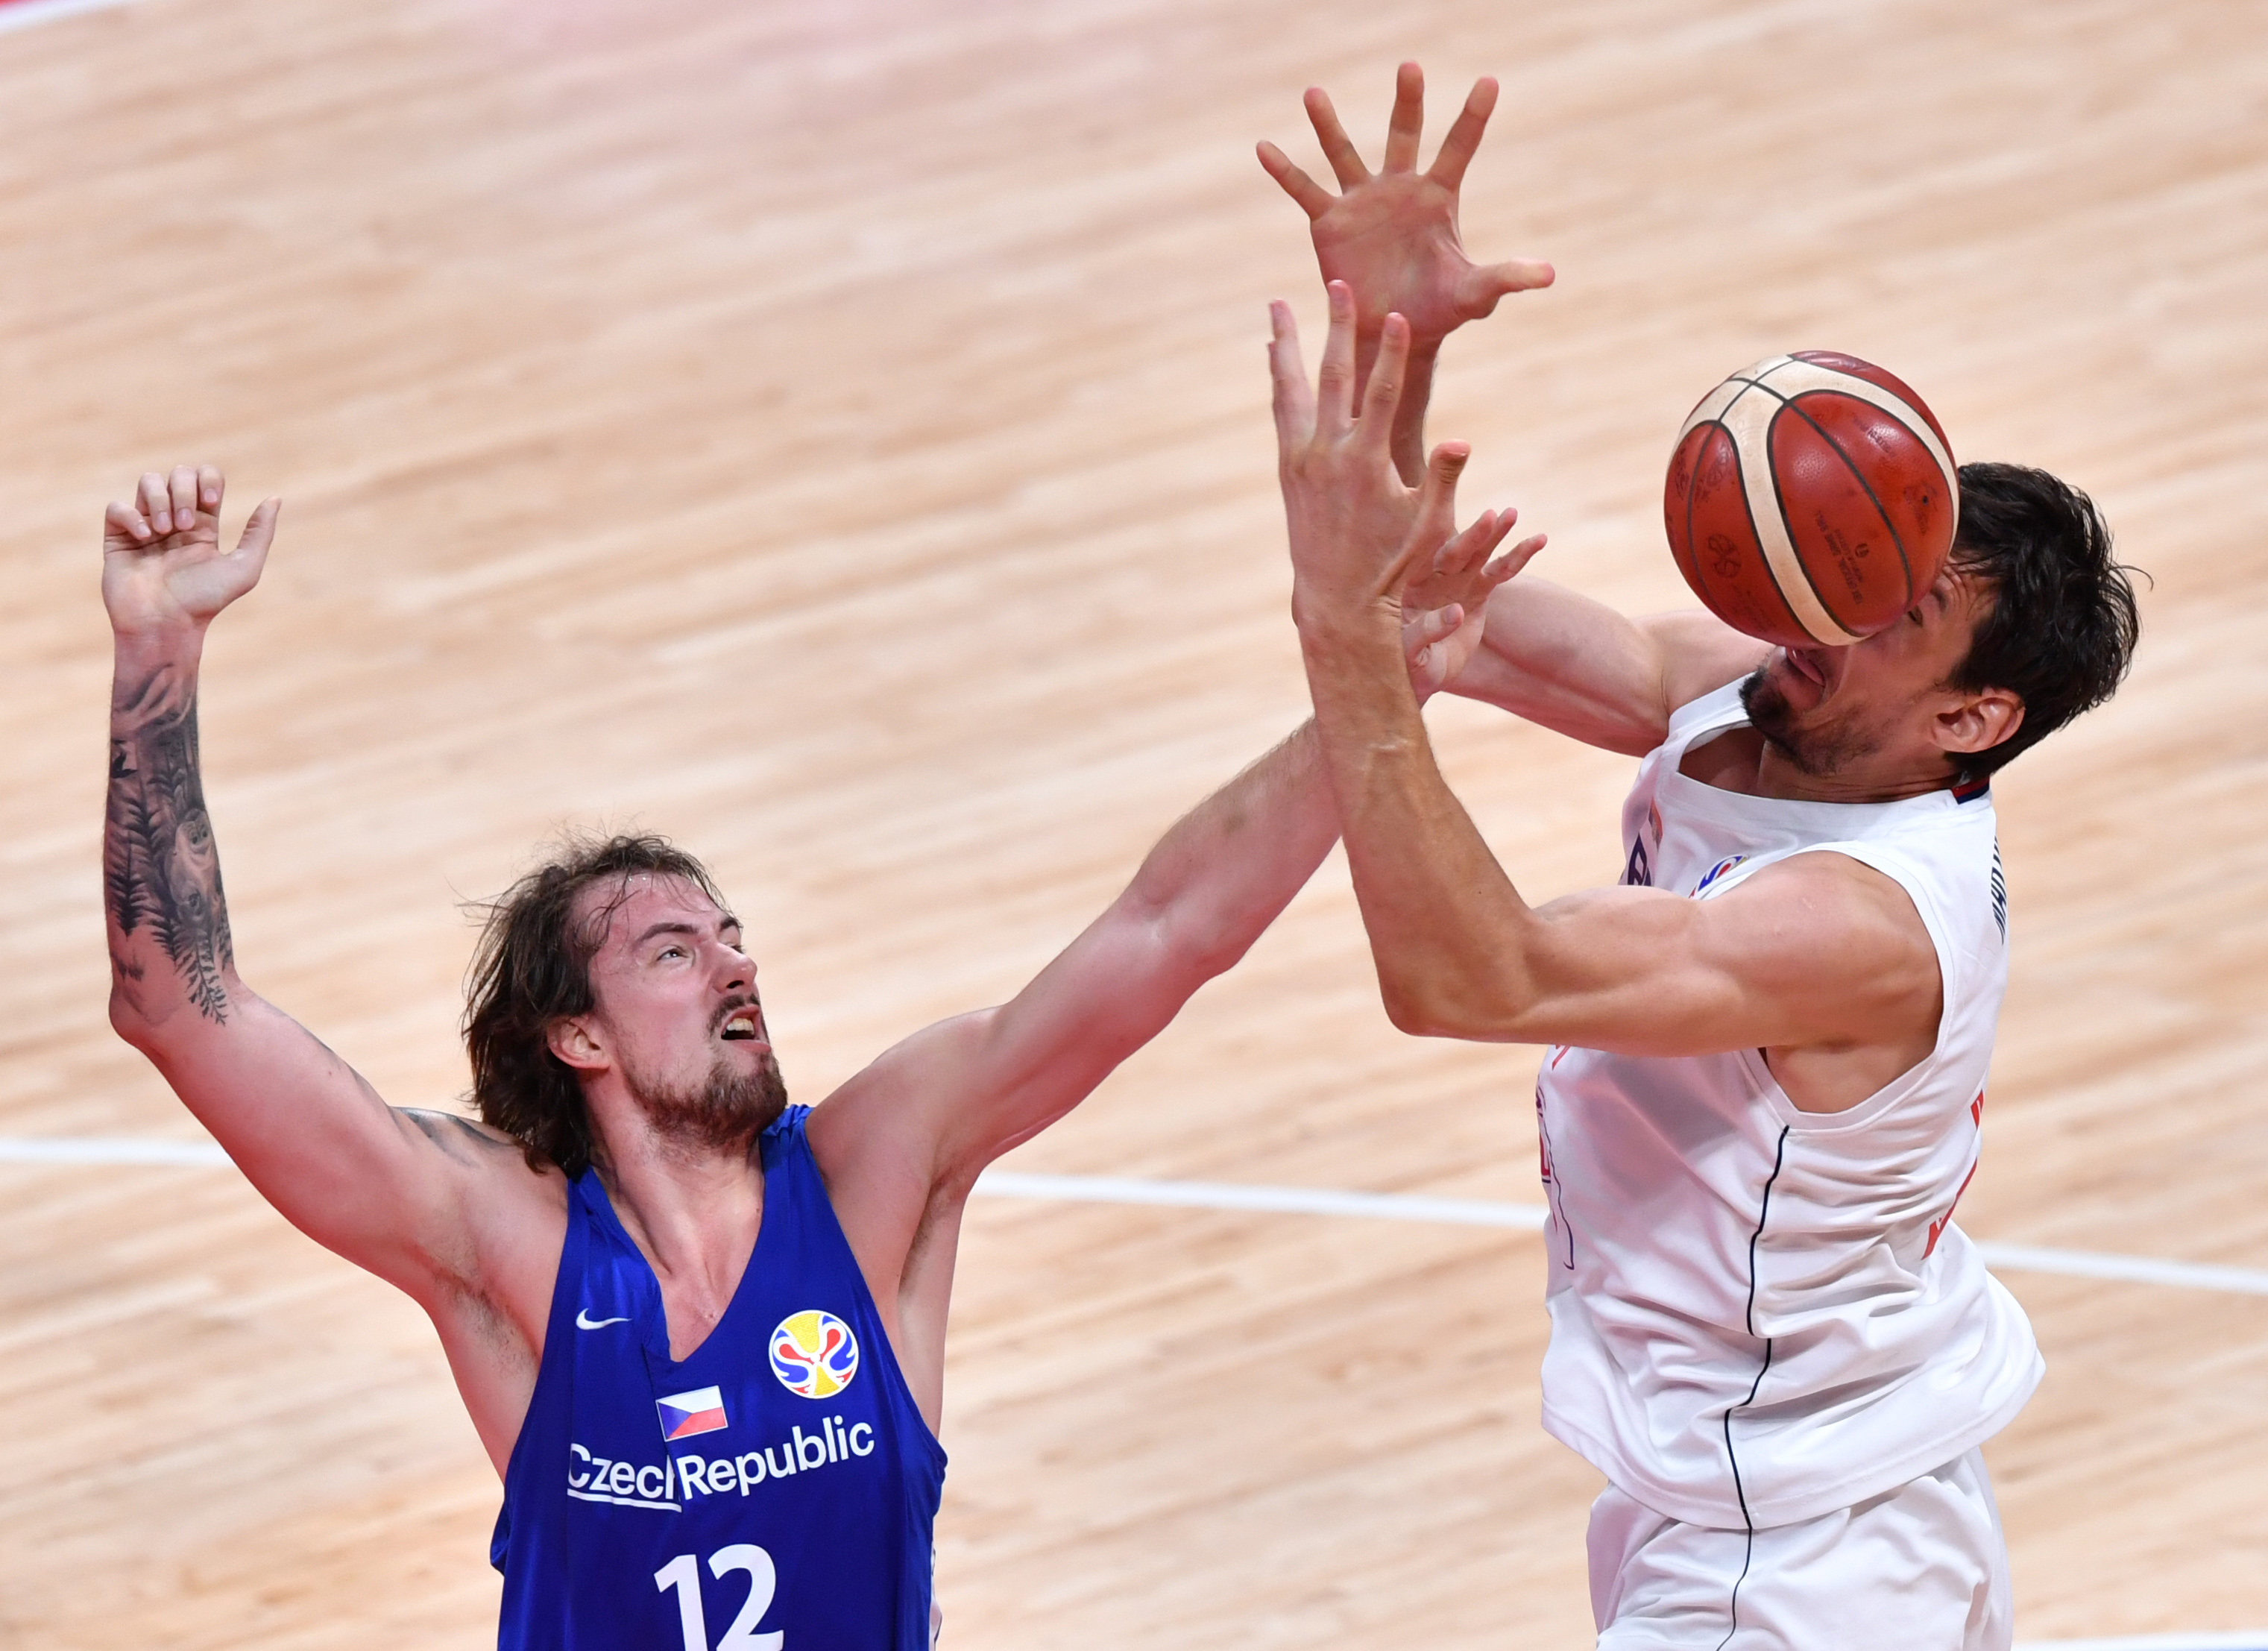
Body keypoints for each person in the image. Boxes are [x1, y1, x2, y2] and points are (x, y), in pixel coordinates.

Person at [97, 456, 1519, 1648]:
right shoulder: (509, 1243)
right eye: (673, 951)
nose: (737, 964)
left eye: (733, 937)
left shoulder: (870, 1176)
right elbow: (179, 1009)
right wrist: (159, 654)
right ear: (577, 1033)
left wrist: (1369, 696)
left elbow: (1166, 929)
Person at [1261, 66, 2141, 1650]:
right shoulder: (1752, 696)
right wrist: (1397, 344)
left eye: (1889, 606)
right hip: (1821, 1484)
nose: (1826, 609)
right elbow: (1424, 605)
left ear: (1973, 716)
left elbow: (1473, 976)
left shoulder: (1860, 926)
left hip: (1794, 1551)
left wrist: (1345, 641)